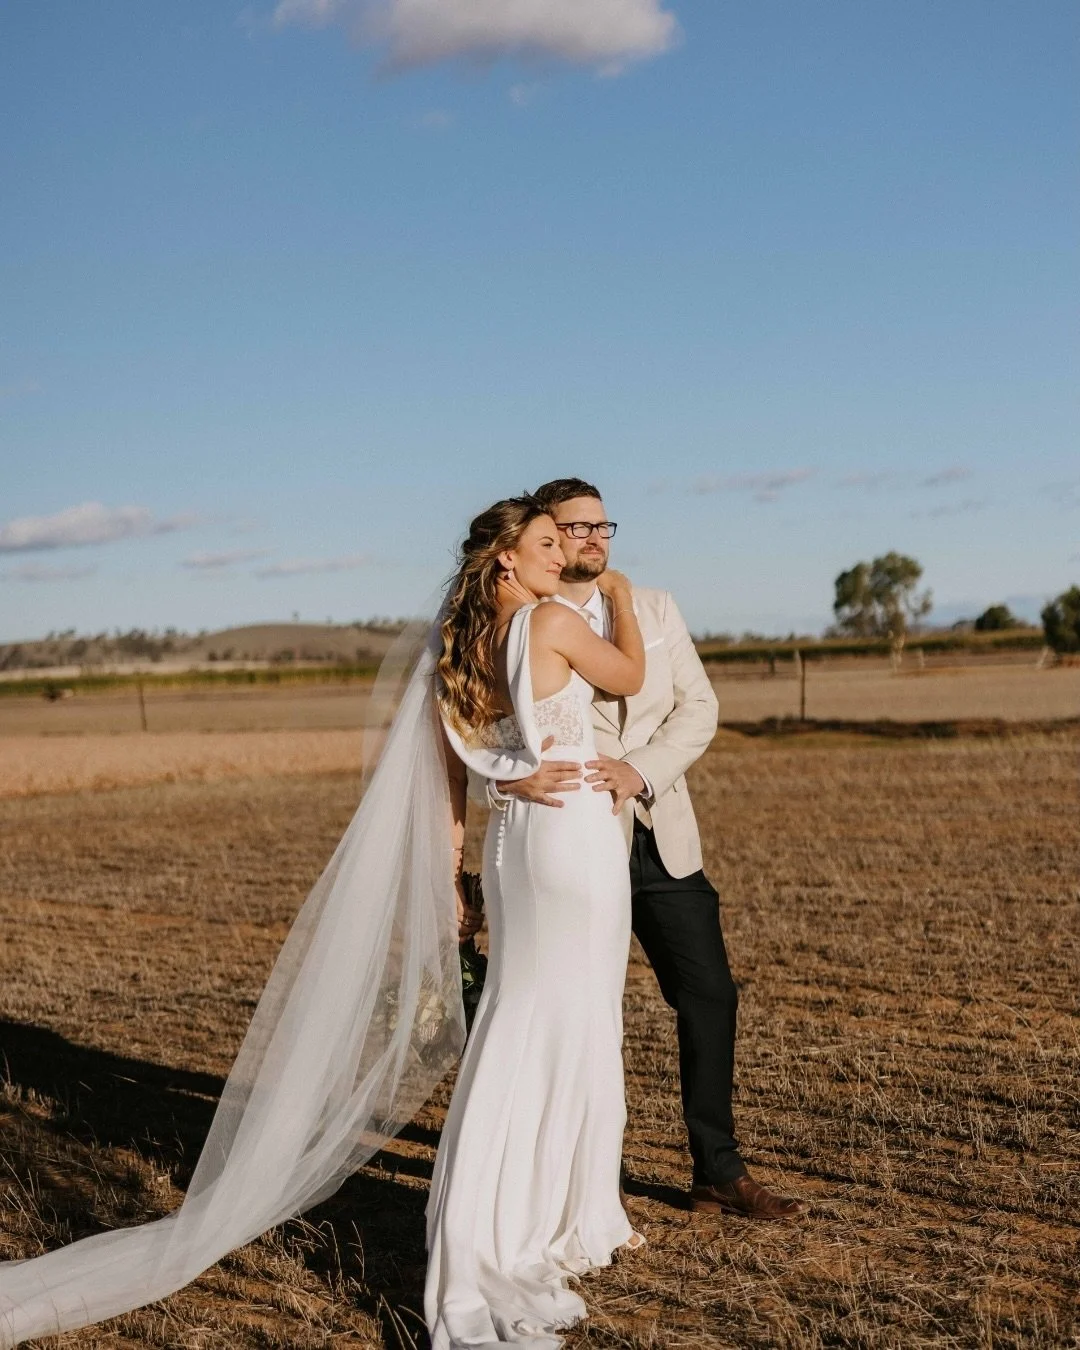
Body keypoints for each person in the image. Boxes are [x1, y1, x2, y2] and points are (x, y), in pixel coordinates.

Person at [0, 494, 651, 1350]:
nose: (563, 551)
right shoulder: (554, 623)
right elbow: (631, 678)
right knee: (572, 1015)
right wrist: (630, 605)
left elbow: (468, 764)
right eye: (544, 541)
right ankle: (550, 1218)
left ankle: (530, 1213)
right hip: (571, 833)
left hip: (515, 842)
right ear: (506, 561)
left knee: (520, 1018)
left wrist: (486, 817)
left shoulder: (461, 644)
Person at [486, 477, 806, 1221]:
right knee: (574, 1006)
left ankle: (717, 1170)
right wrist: (507, 782)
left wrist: (641, 771)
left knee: (709, 994)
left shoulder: (655, 607)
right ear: (544, 536)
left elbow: (701, 707)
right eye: (576, 527)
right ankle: (559, 1174)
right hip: (570, 840)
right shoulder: (524, 617)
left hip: (663, 835)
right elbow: (483, 725)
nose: (594, 538)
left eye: (605, 525)